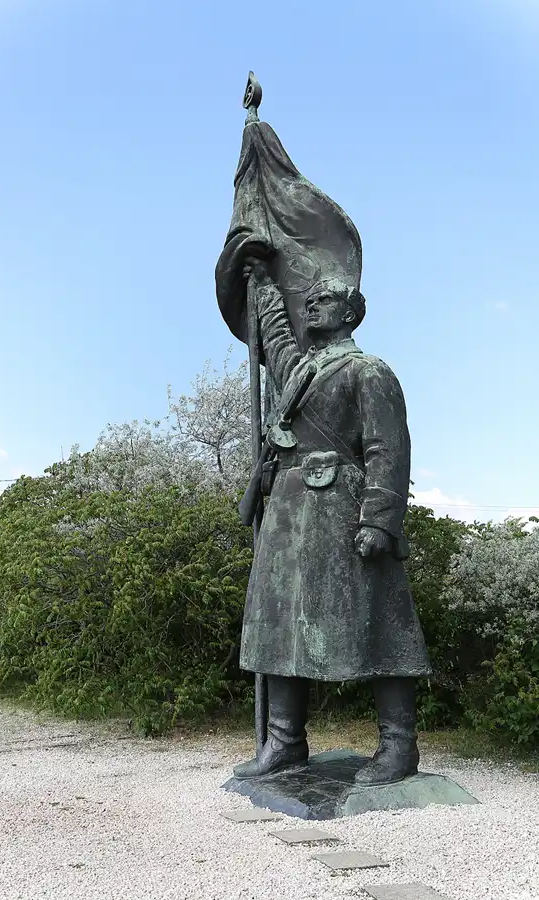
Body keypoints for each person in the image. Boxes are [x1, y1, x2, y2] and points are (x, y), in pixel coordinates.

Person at [233, 257, 431, 786]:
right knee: (276, 624)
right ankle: (284, 742)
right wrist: (265, 287)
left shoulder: (369, 371)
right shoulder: (301, 371)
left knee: (378, 625)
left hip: (341, 509)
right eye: (310, 299)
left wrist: (380, 520)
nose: (312, 304)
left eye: (323, 299)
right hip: (288, 511)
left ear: (350, 311)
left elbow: (388, 448)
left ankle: (398, 746)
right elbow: (274, 343)